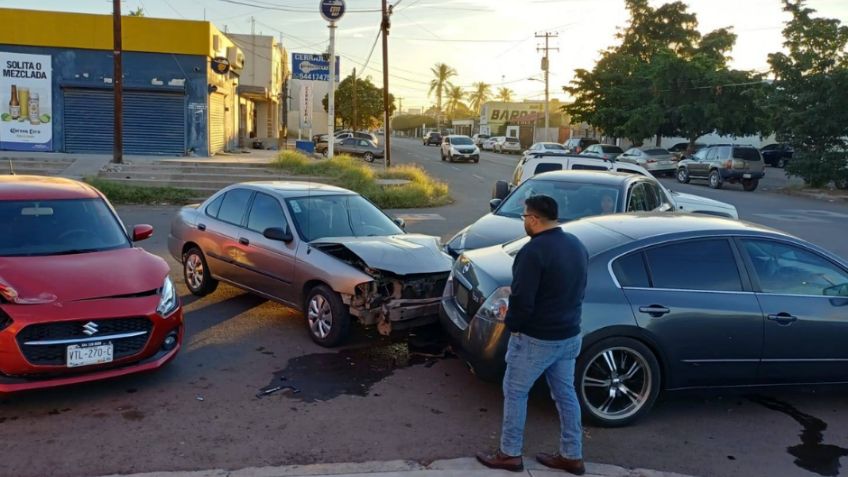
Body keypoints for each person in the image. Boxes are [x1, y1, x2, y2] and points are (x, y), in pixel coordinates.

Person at [476, 194, 589, 475]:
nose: (523, 221)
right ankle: (572, 455)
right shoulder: (576, 245)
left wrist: (512, 326)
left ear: (535, 219)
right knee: (566, 395)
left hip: (536, 338)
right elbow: (580, 289)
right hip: (569, 335)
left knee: (515, 393)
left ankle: (510, 454)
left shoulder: (532, 251)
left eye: (525, 216)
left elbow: (522, 300)